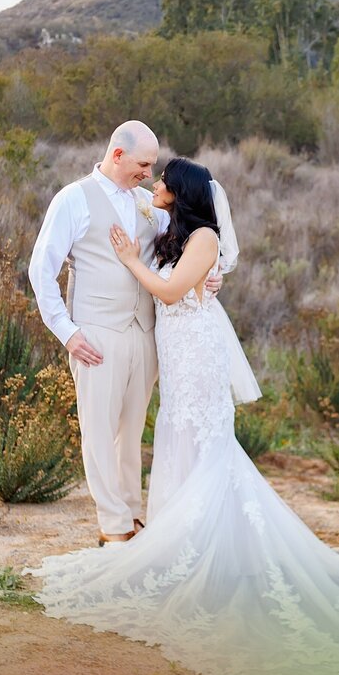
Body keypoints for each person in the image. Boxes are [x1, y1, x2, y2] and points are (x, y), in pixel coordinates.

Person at [26, 158, 339, 675]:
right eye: (151, 172)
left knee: (204, 444)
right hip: (175, 353)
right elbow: (143, 221)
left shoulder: (205, 239)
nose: (154, 184)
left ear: (182, 192)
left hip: (197, 358)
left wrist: (129, 260)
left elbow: (168, 293)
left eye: (163, 178)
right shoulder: (171, 227)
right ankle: (176, 542)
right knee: (175, 437)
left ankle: (210, 555)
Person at [28, 121, 223, 546]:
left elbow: (184, 251)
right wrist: (66, 331)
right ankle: (113, 524)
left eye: (153, 166)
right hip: (96, 333)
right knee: (98, 430)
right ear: (117, 154)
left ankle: (133, 515)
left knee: (131, 431)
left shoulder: (147, 204)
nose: (150, 174)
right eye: (143, 164)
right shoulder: (73, 199)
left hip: (147, 333)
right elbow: (41, 270)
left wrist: (210, 277)